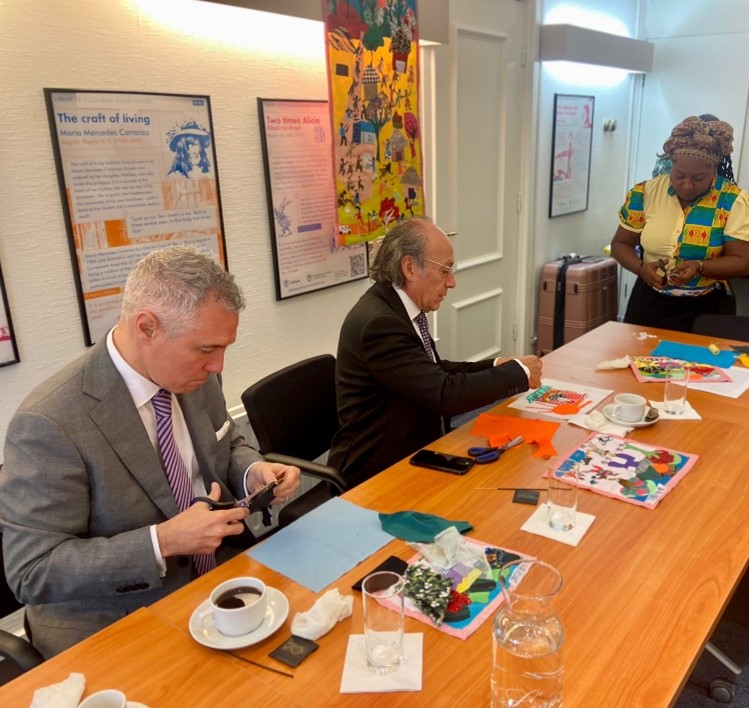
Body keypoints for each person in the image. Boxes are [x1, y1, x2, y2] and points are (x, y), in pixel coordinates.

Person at [0, 246, 300, 657]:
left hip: (220, 576)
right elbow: (31, 570)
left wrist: (255, 473)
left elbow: (227, 443)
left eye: (224, 348)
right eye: (206, 349)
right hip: (118, 617)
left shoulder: (195, 376)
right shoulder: (49, 422)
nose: (218, 365)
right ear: (146, 328)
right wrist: (162, 542)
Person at [329, 218, 542, 486]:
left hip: (418, 444)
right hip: (380, 470)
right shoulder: (380, 324)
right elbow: (444, 394)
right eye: (445, 271)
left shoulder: (397, 305)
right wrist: (519, 374)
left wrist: (498, 364)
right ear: (409, 267)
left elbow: (434, 368)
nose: (452, 283)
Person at [610, 116, 749, 333]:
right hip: (648, 306)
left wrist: (700, 267)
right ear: (670, 165)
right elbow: (620, 244)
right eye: (679, 175)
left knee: (702, 367)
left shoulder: (733, 201)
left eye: (699, 177)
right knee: (638, 364)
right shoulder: (645, 194)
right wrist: (642, 268)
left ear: (714, 170)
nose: (687, 185)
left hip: (707, 310)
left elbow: (743, 262)